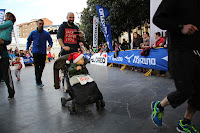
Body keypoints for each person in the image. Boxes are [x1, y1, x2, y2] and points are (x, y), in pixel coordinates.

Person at [151, 0, 200, 132]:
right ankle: (159, 106)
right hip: (180, 51)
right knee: (185, 89)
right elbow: (157, 19)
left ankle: (186, 122)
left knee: (198, 91)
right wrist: (180, 27)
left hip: (198, 51)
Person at [26, 19, 53, 88]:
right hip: (35, 52)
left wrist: (49, 46)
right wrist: (27, 48)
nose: (41, 25)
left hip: (43, 52)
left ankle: (38, 78)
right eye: (40, 24)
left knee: (42, 66)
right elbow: (29, 41)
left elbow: (50, 41)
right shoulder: (33, 33)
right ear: (37, 24)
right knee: (37, 66)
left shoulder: (46, 34)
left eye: (42, 24)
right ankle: (39, 80)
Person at [0, 12, 16, 99]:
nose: (4, 18)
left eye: (6, 16)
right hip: (2, 52)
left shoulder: (9, 23)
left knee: (6, 75)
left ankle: (11, 91)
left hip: (3, 54)